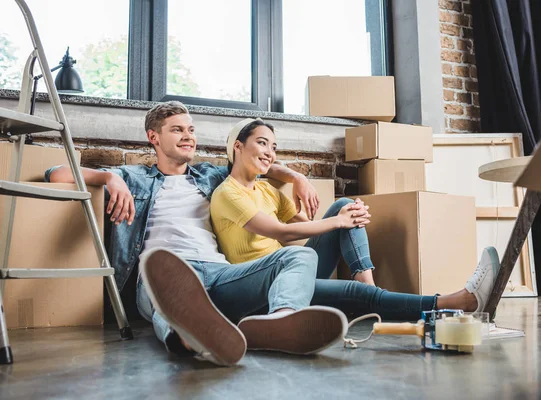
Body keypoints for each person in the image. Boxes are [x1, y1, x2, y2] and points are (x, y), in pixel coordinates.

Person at [47, 101, 350, 367]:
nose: (189, 136)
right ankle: (191, 339)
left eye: (191, 130)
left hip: (219, 273)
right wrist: (109, 178)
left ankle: (281, 323)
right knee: (172, 295)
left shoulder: (211, 176)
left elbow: (259, 162)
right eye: (177, 130)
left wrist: (297, 178)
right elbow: (56, 173)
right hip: (165, 272)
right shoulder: (133, 177)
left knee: (300, 253)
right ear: (153, 137)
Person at [210, 118, 501, 326]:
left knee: (345, 205)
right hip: (268, 289)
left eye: (273, 146)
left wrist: (345, 216)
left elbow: (303, 223)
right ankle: (458, 302)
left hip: (294, 272)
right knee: (344, 235)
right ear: (237, 146)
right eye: (262, 143)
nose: (270, 152)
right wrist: (338, 222)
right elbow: (282, 232)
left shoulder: (266, 190)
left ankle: (368, 287)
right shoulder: (227, 194)